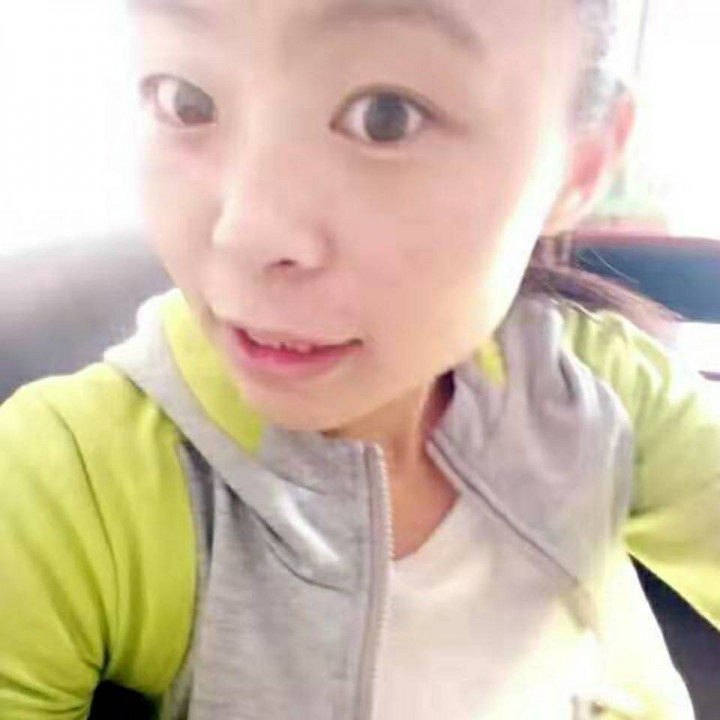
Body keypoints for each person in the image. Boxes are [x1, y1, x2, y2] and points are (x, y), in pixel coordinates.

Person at [1, 0, 718, 718]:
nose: (246, 231)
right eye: (185, 100)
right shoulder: (69, 482)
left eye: (386, 117)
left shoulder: (596, 386)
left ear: (579, 169)